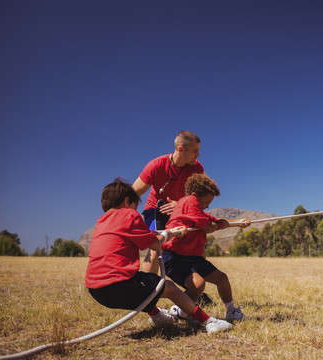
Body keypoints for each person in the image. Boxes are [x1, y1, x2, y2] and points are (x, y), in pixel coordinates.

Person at [85, 178, 233, 334]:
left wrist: (170, 232)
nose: (136, 210)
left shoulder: (101, 221)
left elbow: (148, 235)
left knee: (145, 285)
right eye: (136, 206)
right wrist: (166, 234)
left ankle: (157, 316)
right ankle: (209, 322)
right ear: (127, 200)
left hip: (96, 291)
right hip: (119, 285)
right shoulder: (128, 215)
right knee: (169, 288)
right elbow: (155, 243)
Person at [161, 174, 251, 323]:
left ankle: (231, 311)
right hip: (175, 257)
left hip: (192, 257)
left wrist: (238, 222)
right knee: (197, 284)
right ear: (195, 196)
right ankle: (182, 311)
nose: (208, 205)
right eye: (206, 202)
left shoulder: (196, 209)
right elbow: (207, 227)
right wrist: (216, 225)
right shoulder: (188, 202)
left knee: (222, 279)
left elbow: (215, 221)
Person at [132, 130, 204, 275]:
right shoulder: (156, 165)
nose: (198, 155)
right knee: (156, 249)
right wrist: (127, 219)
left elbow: (201, 198)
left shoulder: (197, 168)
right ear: (181, 149)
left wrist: (181, 205)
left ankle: (197, 289)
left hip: (181, 211)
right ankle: (149, 291)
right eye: (195, 151)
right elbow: (133, 193)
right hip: (155, 211)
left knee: (198, 248)